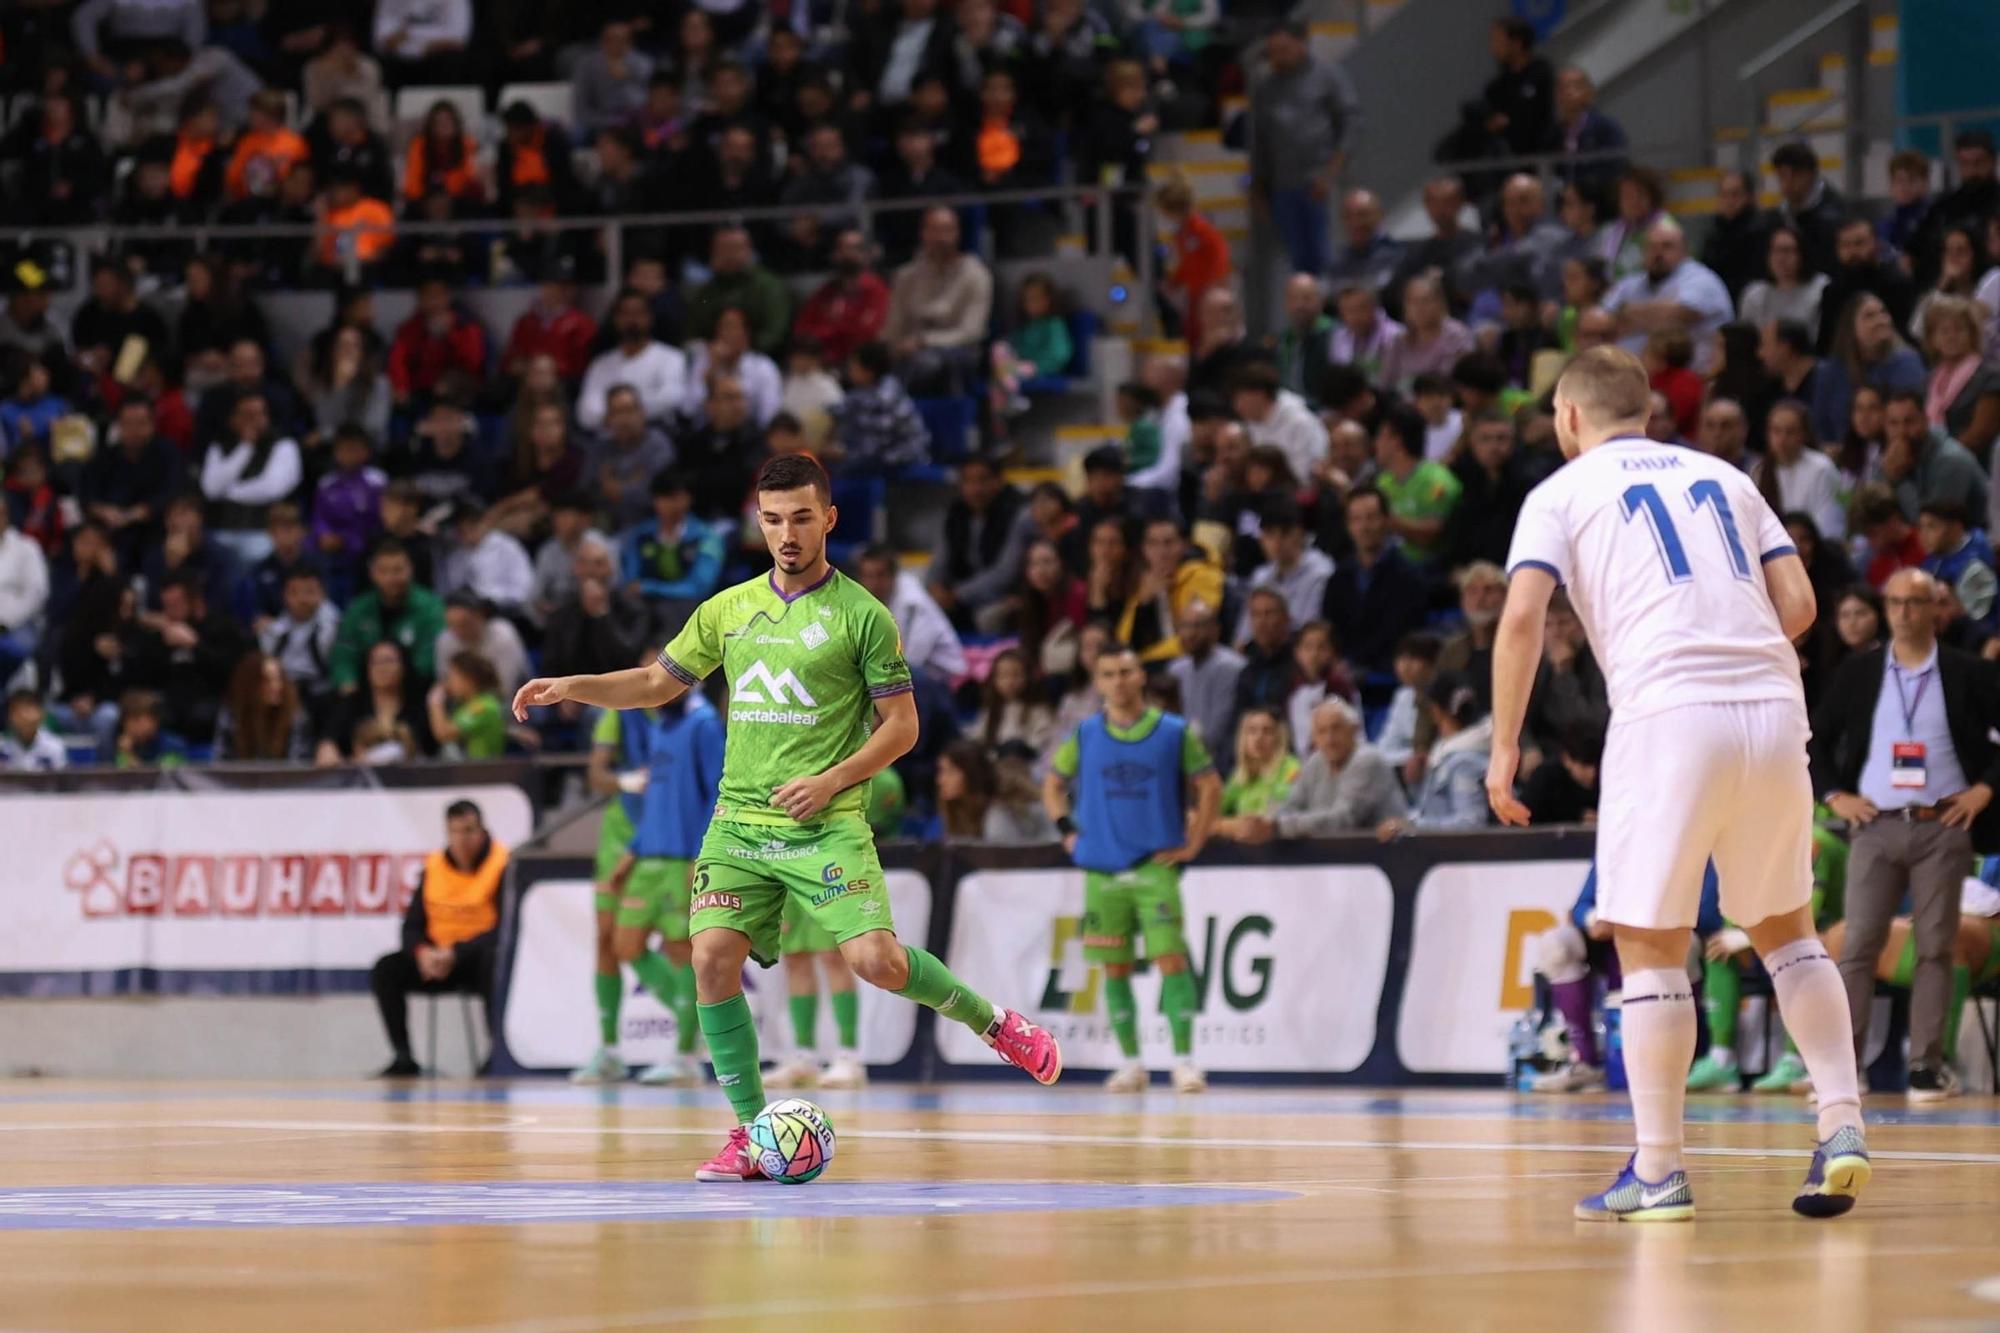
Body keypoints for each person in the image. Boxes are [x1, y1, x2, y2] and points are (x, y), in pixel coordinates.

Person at [510, 454, 1063, 1180]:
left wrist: (833, 779)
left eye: (802, 517)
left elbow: (902, 728)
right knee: (710, 955)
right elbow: (653, 683)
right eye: (773, 520)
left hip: (825, 822)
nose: (787, 534)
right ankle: (748, 1131)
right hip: (738, 822)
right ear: (759, 523)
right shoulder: (729, 608)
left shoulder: (863, 615)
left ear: (828, 518)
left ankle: (994, 1022)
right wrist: (572, 687)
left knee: (877, 961)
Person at [1488, 345, 1867, 1221]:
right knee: (1787, 931)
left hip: (1669, 711)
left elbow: (1520, 616)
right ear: (1648, 411)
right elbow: (1802, 606)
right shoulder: (1726, 477)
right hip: (1773, 709)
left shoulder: (1561, 492)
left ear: (1571, 417)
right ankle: (1841, 1120)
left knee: (1650, 944)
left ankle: (1658, 1169)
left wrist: (1505, 747)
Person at [1810, 568, 2000, 1101]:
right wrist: (1832, 795)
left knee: (1936, 946)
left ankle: (1926, 1065)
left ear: (1937, 608)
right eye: (1893, 602)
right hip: (1875, 824)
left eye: (1914, 602)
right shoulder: (1860, 672)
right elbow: (1813, 738)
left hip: (1943, 824)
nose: (1903, 612)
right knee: (1858, 944)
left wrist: (1984, 789)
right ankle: (1843, 1067)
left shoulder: (1968, 673)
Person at [1043, 644, 1221, 1093]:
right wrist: (1067, 830)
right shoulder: (1084, 734)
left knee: (1171, 960)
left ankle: (1183, 1061)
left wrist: (1195, 841)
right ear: (1098, 682)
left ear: (1141, 676)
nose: (1119, 681)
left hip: (1154, 865)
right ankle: (1131, 1063)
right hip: (1101, 869)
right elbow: (1052, 782)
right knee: (1115, 968)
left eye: (1126, 671)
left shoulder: (1175, 731)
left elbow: (1210, 785)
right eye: (1109, 674)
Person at [585, 687, 724, 1087]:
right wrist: (632, 853)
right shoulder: (661, 728)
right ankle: (692, 1023)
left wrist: (702, 855)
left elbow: (717, 791)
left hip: (683, 855)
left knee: (682, 949)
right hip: (648, 856)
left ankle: (684, 1055)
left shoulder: (705, 726)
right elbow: (657, 799)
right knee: (624, 944)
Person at [369, 800, 507, 1077]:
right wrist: (423, 952)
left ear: (482, 832)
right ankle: (403, 1056)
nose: (462, 839)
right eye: (454, 831)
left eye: (468, 830)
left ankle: (496, 1054)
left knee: (495, 961)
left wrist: (457, 952)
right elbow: (411, 927)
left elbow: (503, 930)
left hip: (474, 960)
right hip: (436, 960)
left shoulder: (501, 865)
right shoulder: (434, 866)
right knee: (386, 968)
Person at [1247, 20, 1360, 279]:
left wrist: (1332, 171)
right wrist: (1258, 186)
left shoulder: (1328, 76)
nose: (1278, 57)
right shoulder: (1266, 88)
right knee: (1299, 264)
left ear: (1301, 44)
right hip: (1284, 187)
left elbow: (1350, 122)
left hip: (1321, 183)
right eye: (1273, 52)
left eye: (1284, 50)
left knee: (1329, 258)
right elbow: (1260, 141)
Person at [1229, 697, 1405, 841]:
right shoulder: (1316, 761)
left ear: (1354, 730)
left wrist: (1277, 827)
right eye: (1322, 732)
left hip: (1382, 857)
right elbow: (1290, 805)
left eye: (1336, 728)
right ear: (1314, 737)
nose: (1329, 739)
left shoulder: (1367, 760)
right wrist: (1266, 823)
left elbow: (1344, 819)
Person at [1322, 485, 1428, 674]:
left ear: (1386, 520)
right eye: (1356, 519)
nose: (1364, 527)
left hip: (1389, 672)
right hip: (1343, 670)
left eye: (1371, 517)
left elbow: (1399, 633)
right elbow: (1331, 628)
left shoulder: (1409, 576)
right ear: (1348, 526)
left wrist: (1355, 662)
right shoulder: (1338, 578)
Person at [1604, 218, 1733, 373]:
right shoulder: (1630, 283)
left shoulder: (1701, 279)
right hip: (1632, 378)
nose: (1657, 253)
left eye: (1667, 246)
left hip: (1693, 378)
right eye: (1651, 247)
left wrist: (1624, 313)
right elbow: (1603, 321)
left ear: (1685, 250)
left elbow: (1677, 317)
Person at [1381, 672, 1492, 836]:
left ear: (1435, 710)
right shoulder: (1443, 754)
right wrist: (1416, 784)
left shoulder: (1465, 763)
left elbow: (1471, 823)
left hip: (1458, 859)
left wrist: (1411, 826)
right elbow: (1434, 808)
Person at [330, 540, 447, 691]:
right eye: (383, 571)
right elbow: (344, 653)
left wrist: (393, 682)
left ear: (410, 570)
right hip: (366, 690)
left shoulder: (431, 607)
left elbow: (430, 657)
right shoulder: (359, 608)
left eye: (398, 570)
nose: (391, 578)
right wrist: (348, 683)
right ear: (372, 574)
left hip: (416, 690)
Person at [577, 290, 689, 433]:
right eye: (625, 314)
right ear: (616, 319)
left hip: (654, 432)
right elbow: (586, 412)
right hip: (610, 438)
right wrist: (622, 417)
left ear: (649, 317)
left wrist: (622, 415)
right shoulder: (601, 364)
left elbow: (672, 399)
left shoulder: (671, 357)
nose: (632, 320)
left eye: (638, 313)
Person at [855, 543, 966, 682]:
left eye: (880, 575)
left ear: (893, 575)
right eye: (868, 576)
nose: (874, 583)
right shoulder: (864, 600)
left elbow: (913, 660)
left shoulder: (913, 602)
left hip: (945, 679)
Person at [1739, 226, 1830, 346]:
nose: (1781, 258)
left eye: (1787, 251)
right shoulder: (1754, 294)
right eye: (1775, 251)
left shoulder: (1822, 289)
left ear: (1802, 254)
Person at [1, 689, 67, 771]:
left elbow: (60, 781)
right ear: (10, 716)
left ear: (41, 714)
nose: (23, 716)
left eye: (28, 710)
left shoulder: (54, 747)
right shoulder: (2, 747)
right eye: (17, 711)